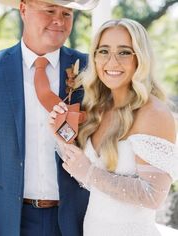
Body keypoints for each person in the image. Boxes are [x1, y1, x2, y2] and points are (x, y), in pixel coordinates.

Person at [0, 0, 100, 235]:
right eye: (50, 10)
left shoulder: (90, 69)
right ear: (23, 9)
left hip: (76, 218)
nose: (59, 21)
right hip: (6, 218)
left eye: (66, 13)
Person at [50, 18, 178, 236]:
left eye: (124, 52)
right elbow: (92, 179)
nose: (112, 61)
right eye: (104, 51)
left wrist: (89, 173)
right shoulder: (98, 108)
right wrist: (61, 135)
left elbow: (153, 196)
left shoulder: (154, 113)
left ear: (140, 58)